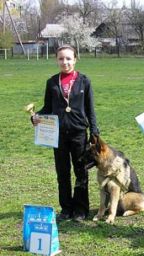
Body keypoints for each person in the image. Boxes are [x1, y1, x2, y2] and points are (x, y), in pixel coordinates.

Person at [31, 45, 99, 222]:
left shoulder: (84, 81)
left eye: (68, 58)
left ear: (75, 59)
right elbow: (48, 107)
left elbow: (90, 109)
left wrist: (94, 131)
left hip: (78, 133)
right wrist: (37, 116)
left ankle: (81, 209)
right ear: (56, 60)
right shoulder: (52, 82)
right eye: (61, 58)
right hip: (58, 134)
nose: (65, 62)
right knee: (62, 173)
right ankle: (66, 208)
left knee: (81, 171)